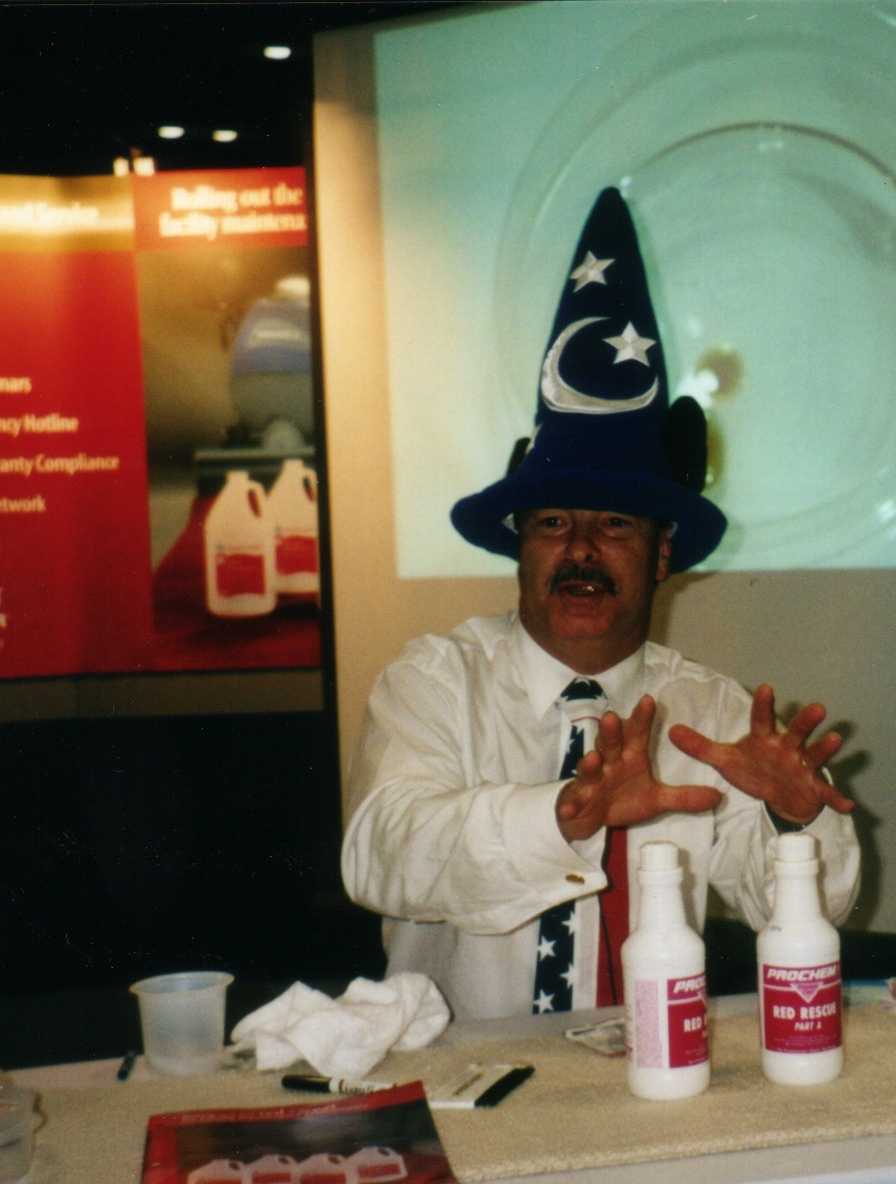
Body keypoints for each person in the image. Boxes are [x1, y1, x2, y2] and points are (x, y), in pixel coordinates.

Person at [342, 188, 862, 1021]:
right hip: (464, 1072)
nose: (580, 548)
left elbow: (807, 913)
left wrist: (792, 820)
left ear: (662, 555)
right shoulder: (434, 682)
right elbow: (380, 855)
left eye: (615, 524)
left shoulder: (712, 716)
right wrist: (564, 815)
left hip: (656, 1066)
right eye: (553, 522)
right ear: (519, 545)